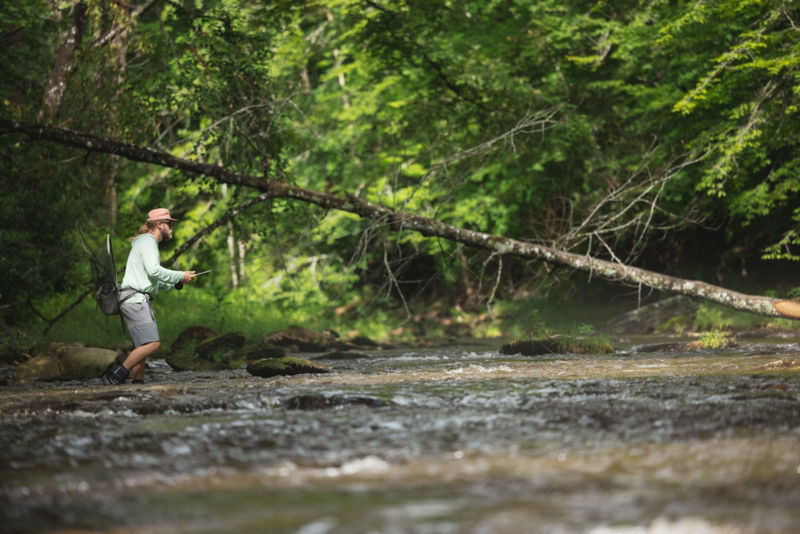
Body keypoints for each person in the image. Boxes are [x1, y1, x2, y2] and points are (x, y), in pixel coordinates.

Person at [101, 208, 196, 385]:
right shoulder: (148, 242)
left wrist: (175, 283)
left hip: (132, 300)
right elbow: (154, 270)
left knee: (142, 345)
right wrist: (180, 275)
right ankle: (117, 375)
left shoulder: (144, 243)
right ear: (159, 225)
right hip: (136, 301)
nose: (171, 226)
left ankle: (138, 383)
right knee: (152, 344)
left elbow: (151, 278)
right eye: (169, 223)